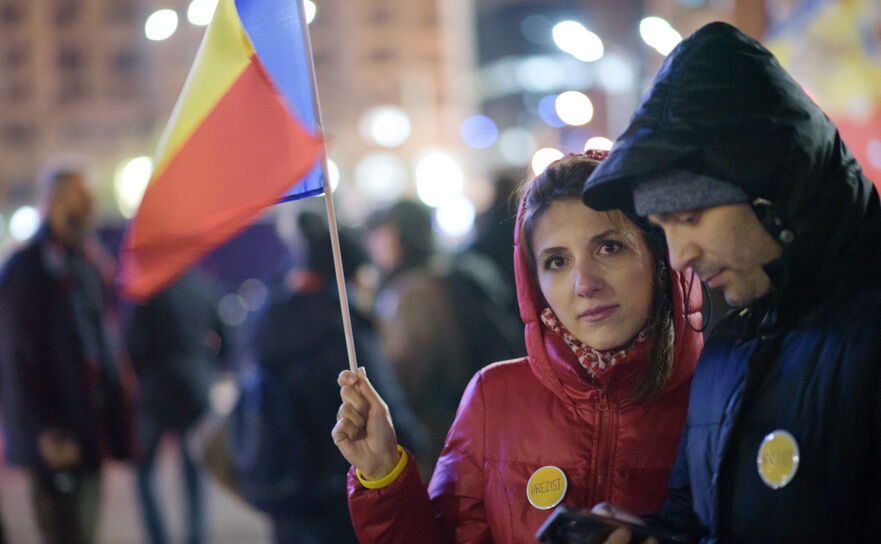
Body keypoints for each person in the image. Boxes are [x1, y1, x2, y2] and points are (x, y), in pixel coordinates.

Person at [581, 22, 881, 543]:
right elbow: (696, 522)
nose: (679, 255)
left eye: (691, 216)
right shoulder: (726, 346)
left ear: (773, 189)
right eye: (662, 228)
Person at [332, 151, 704, 542]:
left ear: (659, 257)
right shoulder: (494, 397)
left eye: (609, 247)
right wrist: (383, 474)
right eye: (557, 261)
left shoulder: (715, 394)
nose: (585, 283)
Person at [231, 210, 423, 544]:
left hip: (288, 498)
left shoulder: (267, 320)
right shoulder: (343, 332)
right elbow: (394, 420)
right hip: (341, 501)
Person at [0, 164, 132, 544]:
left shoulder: (87, 263)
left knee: (85, 530)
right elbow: (15, 358)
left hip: (88, 426)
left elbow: (100, 341)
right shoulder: (25, 269)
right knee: (63, 532)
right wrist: (44, 431)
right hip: (54, 437)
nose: (90, 203)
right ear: (54, 202)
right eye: (79, 194)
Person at [364, 199, 523, 477]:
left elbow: (409, 374)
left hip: (448, 434)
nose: (374, 243)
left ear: (398, 235)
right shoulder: (451, 271)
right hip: (483, 418)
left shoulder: (412, 292)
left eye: (381, 233)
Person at [123, 268, 229, 544]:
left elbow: (132, 344)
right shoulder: (204, 287)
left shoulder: (148, 291)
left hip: (154, 393)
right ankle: (196, 537)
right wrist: (205, 367)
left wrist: (145, 373)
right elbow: (228, 342)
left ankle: (158, 537)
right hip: (194, 390)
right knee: (194, 472)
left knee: (144, 472)